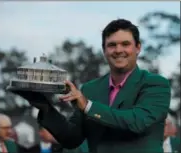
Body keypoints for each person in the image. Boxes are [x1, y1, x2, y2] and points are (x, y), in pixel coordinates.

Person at [20, 19, 171, 153]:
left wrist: (88, 106)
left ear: (138, 48)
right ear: (104, 50)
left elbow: (137, 121)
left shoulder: (156, 84)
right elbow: (72, 139)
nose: (118, 50)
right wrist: (45, 107)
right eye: (112, 45)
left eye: (125, 44)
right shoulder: (90, 89)